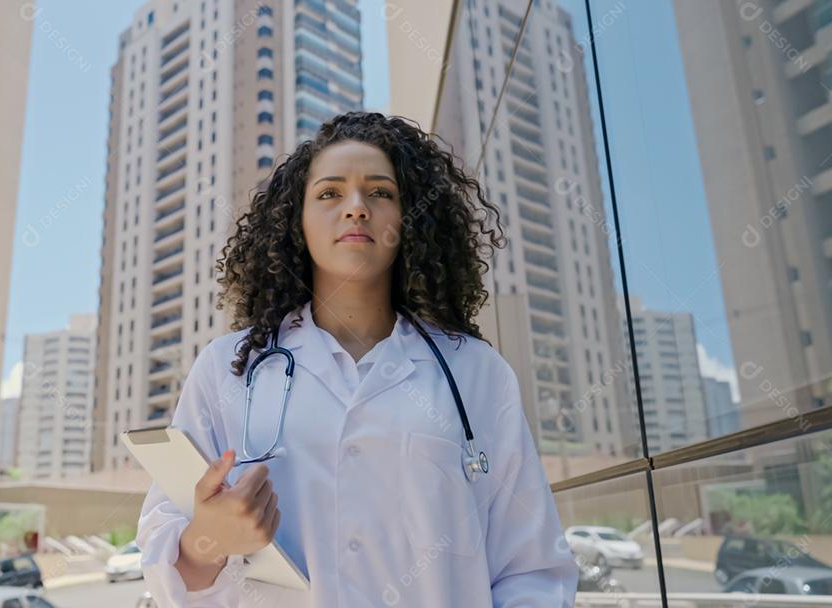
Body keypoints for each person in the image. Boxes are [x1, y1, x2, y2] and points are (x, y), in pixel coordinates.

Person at [135, 111, 578, 606]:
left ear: (410, 219)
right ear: (296, 222)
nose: (356, 207)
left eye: (380, 192)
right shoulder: (228, 368)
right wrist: (207, 540)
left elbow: (533, 570)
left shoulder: (478, 374)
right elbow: (164, 554)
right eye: (328, 193)